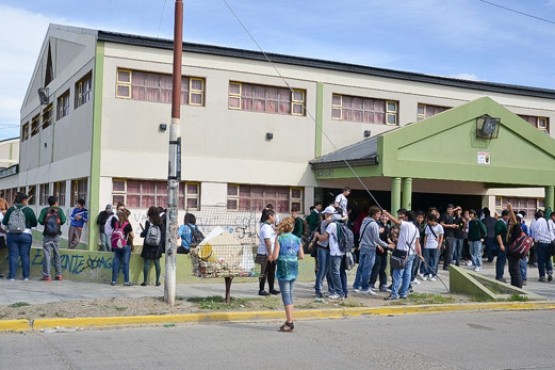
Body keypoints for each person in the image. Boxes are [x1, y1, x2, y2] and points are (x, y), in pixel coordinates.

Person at [269, 217, 304, 333]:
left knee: (286, 295)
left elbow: (275, 256)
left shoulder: (279, 238)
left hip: (283, 267)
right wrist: (292, 256)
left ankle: (290, 322)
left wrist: (271, 257)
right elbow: (302, 256)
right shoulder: (297, 239)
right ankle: (290, 320)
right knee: (290, 293)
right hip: (293, 266)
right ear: (292, 227)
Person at [383, 209, 423, 300]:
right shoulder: (415, 228)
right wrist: (420, 254)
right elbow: (417, 243)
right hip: (411, 254)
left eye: (404, 216)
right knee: (407, 274)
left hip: (402, 253)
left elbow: (396, 221)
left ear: (407, 217)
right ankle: (404, 293)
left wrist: (387, 214)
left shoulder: (406, 224)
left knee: (397, 274)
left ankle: (394, 294)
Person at [352, 206, 389, 294]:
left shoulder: (364, 221)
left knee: (360, 268)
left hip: (363, 247)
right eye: (379, 214)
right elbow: (377, 239)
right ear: (375, 214)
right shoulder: (374, 224)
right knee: (367, 269)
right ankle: (365, 287)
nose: (379, 216)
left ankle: (356, 286)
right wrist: (387, 245)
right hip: (370, 248)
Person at [3, 193, 37, 281]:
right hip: (26, 234)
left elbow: (4, 222)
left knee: (13, 255)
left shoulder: (10, 209)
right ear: (24, 200)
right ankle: (26, 276)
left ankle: (12, 276)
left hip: (12, 234)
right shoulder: (29, 210)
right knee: (25, 255)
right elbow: (34, 223)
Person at [314, 206, 346, 300]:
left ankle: (334, 290)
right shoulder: (325, 223)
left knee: (331, 271)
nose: (325, 215)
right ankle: (318, 289)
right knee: (322, 269)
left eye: (326, 214)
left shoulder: (334, 224)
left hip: (332, 250)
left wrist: (317, 235)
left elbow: (323, 236)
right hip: (324, 248)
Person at [37, 196, 67, 281]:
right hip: (56, 235)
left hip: (47, 235)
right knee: (57, 254)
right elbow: (64, 221)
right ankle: (59, 274)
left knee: (47, 255)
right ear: (56, 202)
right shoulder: (60, 210)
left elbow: (40, 221)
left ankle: (47, 275)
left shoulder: (44, 210)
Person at [140, 206, 165, 286]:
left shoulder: (148, 222)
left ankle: (145, 282)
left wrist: (142, 233)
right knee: (157, 262)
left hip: (147, 245)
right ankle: (157, 281)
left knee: (146, 262)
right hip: (157, 246)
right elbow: (163, 235)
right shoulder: (161, 222)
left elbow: (145, 233)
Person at [257, 208, 279, 296]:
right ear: (270, 216)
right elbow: (267, 241)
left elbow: (275, 233)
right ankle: (261, 290)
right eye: (274, 216)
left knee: (272, 272)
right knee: (264, 272)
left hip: (271, 253)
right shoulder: (265, 227)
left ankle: (271, 288)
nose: (275, 218)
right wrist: (270, 254)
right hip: (265, 253)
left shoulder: (269, 226)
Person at [369, 211, 392, 292]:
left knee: (383, 267)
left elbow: (388, 238)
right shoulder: (377, 225)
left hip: (385, 250)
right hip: (377, 249)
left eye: (386, 216)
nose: (384, 218)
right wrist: (378, 246)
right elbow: (374, 237)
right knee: (376, 267)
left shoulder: (388, 227)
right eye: (382, 216)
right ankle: (371, 284)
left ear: (389, 218)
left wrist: (392, 244)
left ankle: (383, 284)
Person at [110, 210, 133, 286]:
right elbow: (133, 236)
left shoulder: (116, 224)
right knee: (125, 263)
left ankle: (113, 281)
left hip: (116, 245)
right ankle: (126, 281)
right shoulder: (127, 225)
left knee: (116, 261)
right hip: (125, 245)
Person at [532, 209, 553, 282]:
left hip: (541, 242)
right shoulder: (550, 221)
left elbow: (536, 232)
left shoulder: (538, 221)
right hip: (550, 242)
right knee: (548, 258)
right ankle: (549, 272)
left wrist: (535, 241)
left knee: (541, 260)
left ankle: (542, 276)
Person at [422, 213, 444, 281]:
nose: (428, 222)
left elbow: (441, 236)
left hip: (435, 246)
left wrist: (439, 245)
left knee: (435, 261)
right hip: (428, 246)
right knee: (426, 261)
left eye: (429, 220)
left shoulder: (439, 226)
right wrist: (425, 245)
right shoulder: (428, 227)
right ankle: (426, 273)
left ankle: (434, 274)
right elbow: (426, 236)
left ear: (433, 220)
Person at [494, 209, 511, 282]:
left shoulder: (505, 223)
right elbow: (498, 234)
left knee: (503, 260)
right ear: (505, 216)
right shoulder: (500, 223)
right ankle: (499, 276)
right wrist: (501, 244)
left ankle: (500, 275)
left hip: (506, 244)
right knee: (501, 260)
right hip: (502, 244)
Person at [440, 204, 457, 270]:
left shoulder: (453, 216)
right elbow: (441, 224)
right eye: (448, 209)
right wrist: (451, 226)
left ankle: (448, 265)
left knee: (450, 252)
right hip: (446, 235)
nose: (450, 210)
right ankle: (446, 265)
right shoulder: (444, 215)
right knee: (446, 251)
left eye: (451, 209)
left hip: (452, 235)